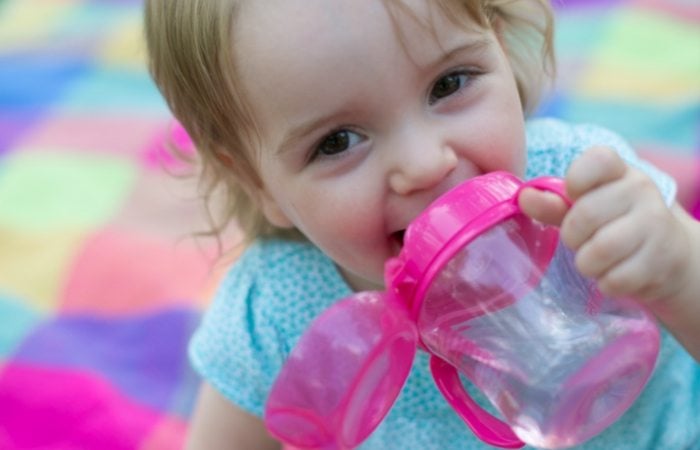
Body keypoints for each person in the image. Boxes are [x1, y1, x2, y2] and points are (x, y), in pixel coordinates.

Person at [144, 0, 700, 448]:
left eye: (450, 83)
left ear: (501, 44)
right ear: (257, 184)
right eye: (337, 142)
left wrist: (677, 268)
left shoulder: (583, 196)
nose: (425, 163)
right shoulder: (276, 315)